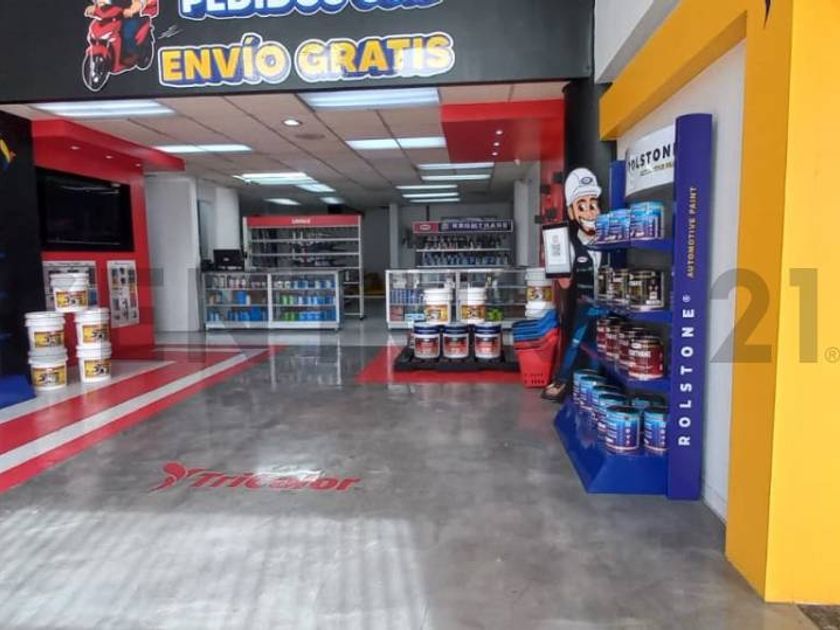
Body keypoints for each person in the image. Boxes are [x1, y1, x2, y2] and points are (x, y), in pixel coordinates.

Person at [542, 167, 604, 401]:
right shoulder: (569, 245)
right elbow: (566, 284)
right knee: (576, 343)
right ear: (571, 212)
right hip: (584, 306)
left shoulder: (609, 241)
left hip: (610, 307)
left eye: (593, 204)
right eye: (581, 205)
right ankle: (563, 381)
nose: (589, 212)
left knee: (602, 348)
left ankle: (595, 387)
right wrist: (556, 266)